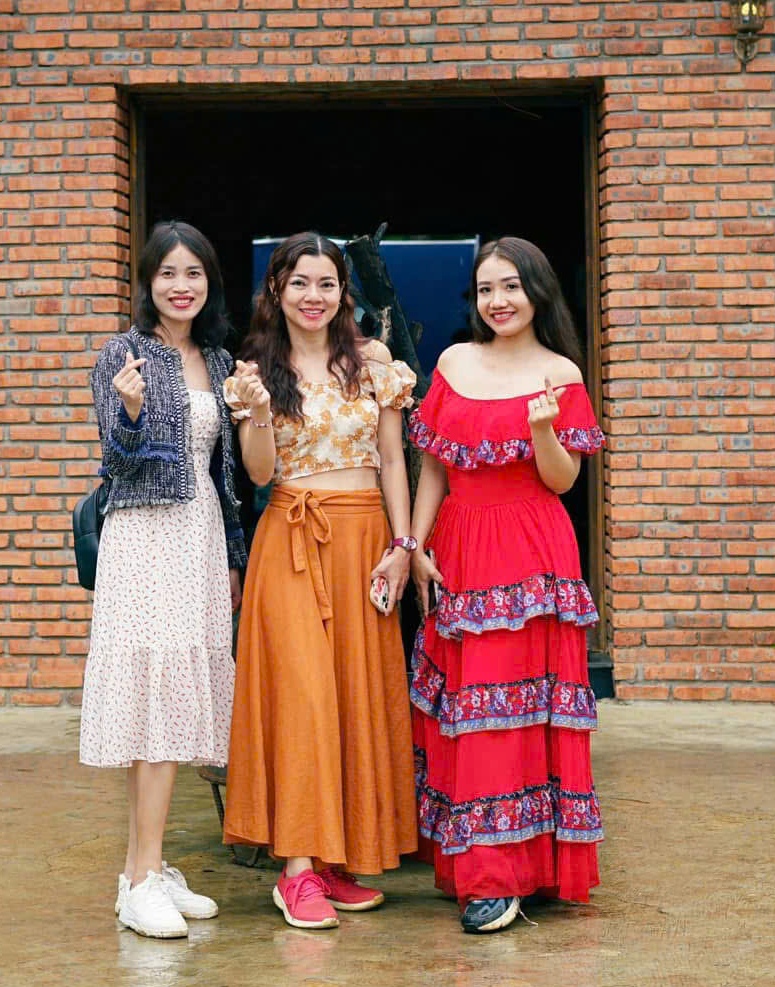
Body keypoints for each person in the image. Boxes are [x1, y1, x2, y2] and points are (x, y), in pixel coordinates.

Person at [404, 236, 605, 933]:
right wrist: (415, 545)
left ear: (537, 292)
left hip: (532, 550)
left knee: (518, 708)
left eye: (511, 286)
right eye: (487, 288)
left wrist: (544, 430)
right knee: (473, 709)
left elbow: (562, 480)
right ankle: (484, 864)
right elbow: (434, 464)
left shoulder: (560, 372)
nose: (498, 300)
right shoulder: (454, 362)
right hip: (461, 544)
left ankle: (503, 876)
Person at [221, 232, 420, 930]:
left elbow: (392, 461)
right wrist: (253, 412)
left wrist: (403, 546)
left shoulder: (375, 364)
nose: (314, 296)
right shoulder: (255, 370)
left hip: (365, 540)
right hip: (292, 537)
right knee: (303, 697)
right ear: (277, 289)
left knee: (352, 697)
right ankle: (298, 870)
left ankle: (335, 862)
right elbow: (259, 473)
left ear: (343, 291)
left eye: (326, 283)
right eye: (299, 282)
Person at [84, 221, 247, 941]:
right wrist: (128, 414)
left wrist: (233, 557)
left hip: (200, 534)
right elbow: (116, 463)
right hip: (145, 536)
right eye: (168, 274)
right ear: (147, 282)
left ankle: (141, 872)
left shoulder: (218, 358)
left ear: (209, 282)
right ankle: (143, 878)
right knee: (155, 699)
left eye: (194, 273)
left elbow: (228, 474)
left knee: (176, 698)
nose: (182, 286)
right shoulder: (122, 354)